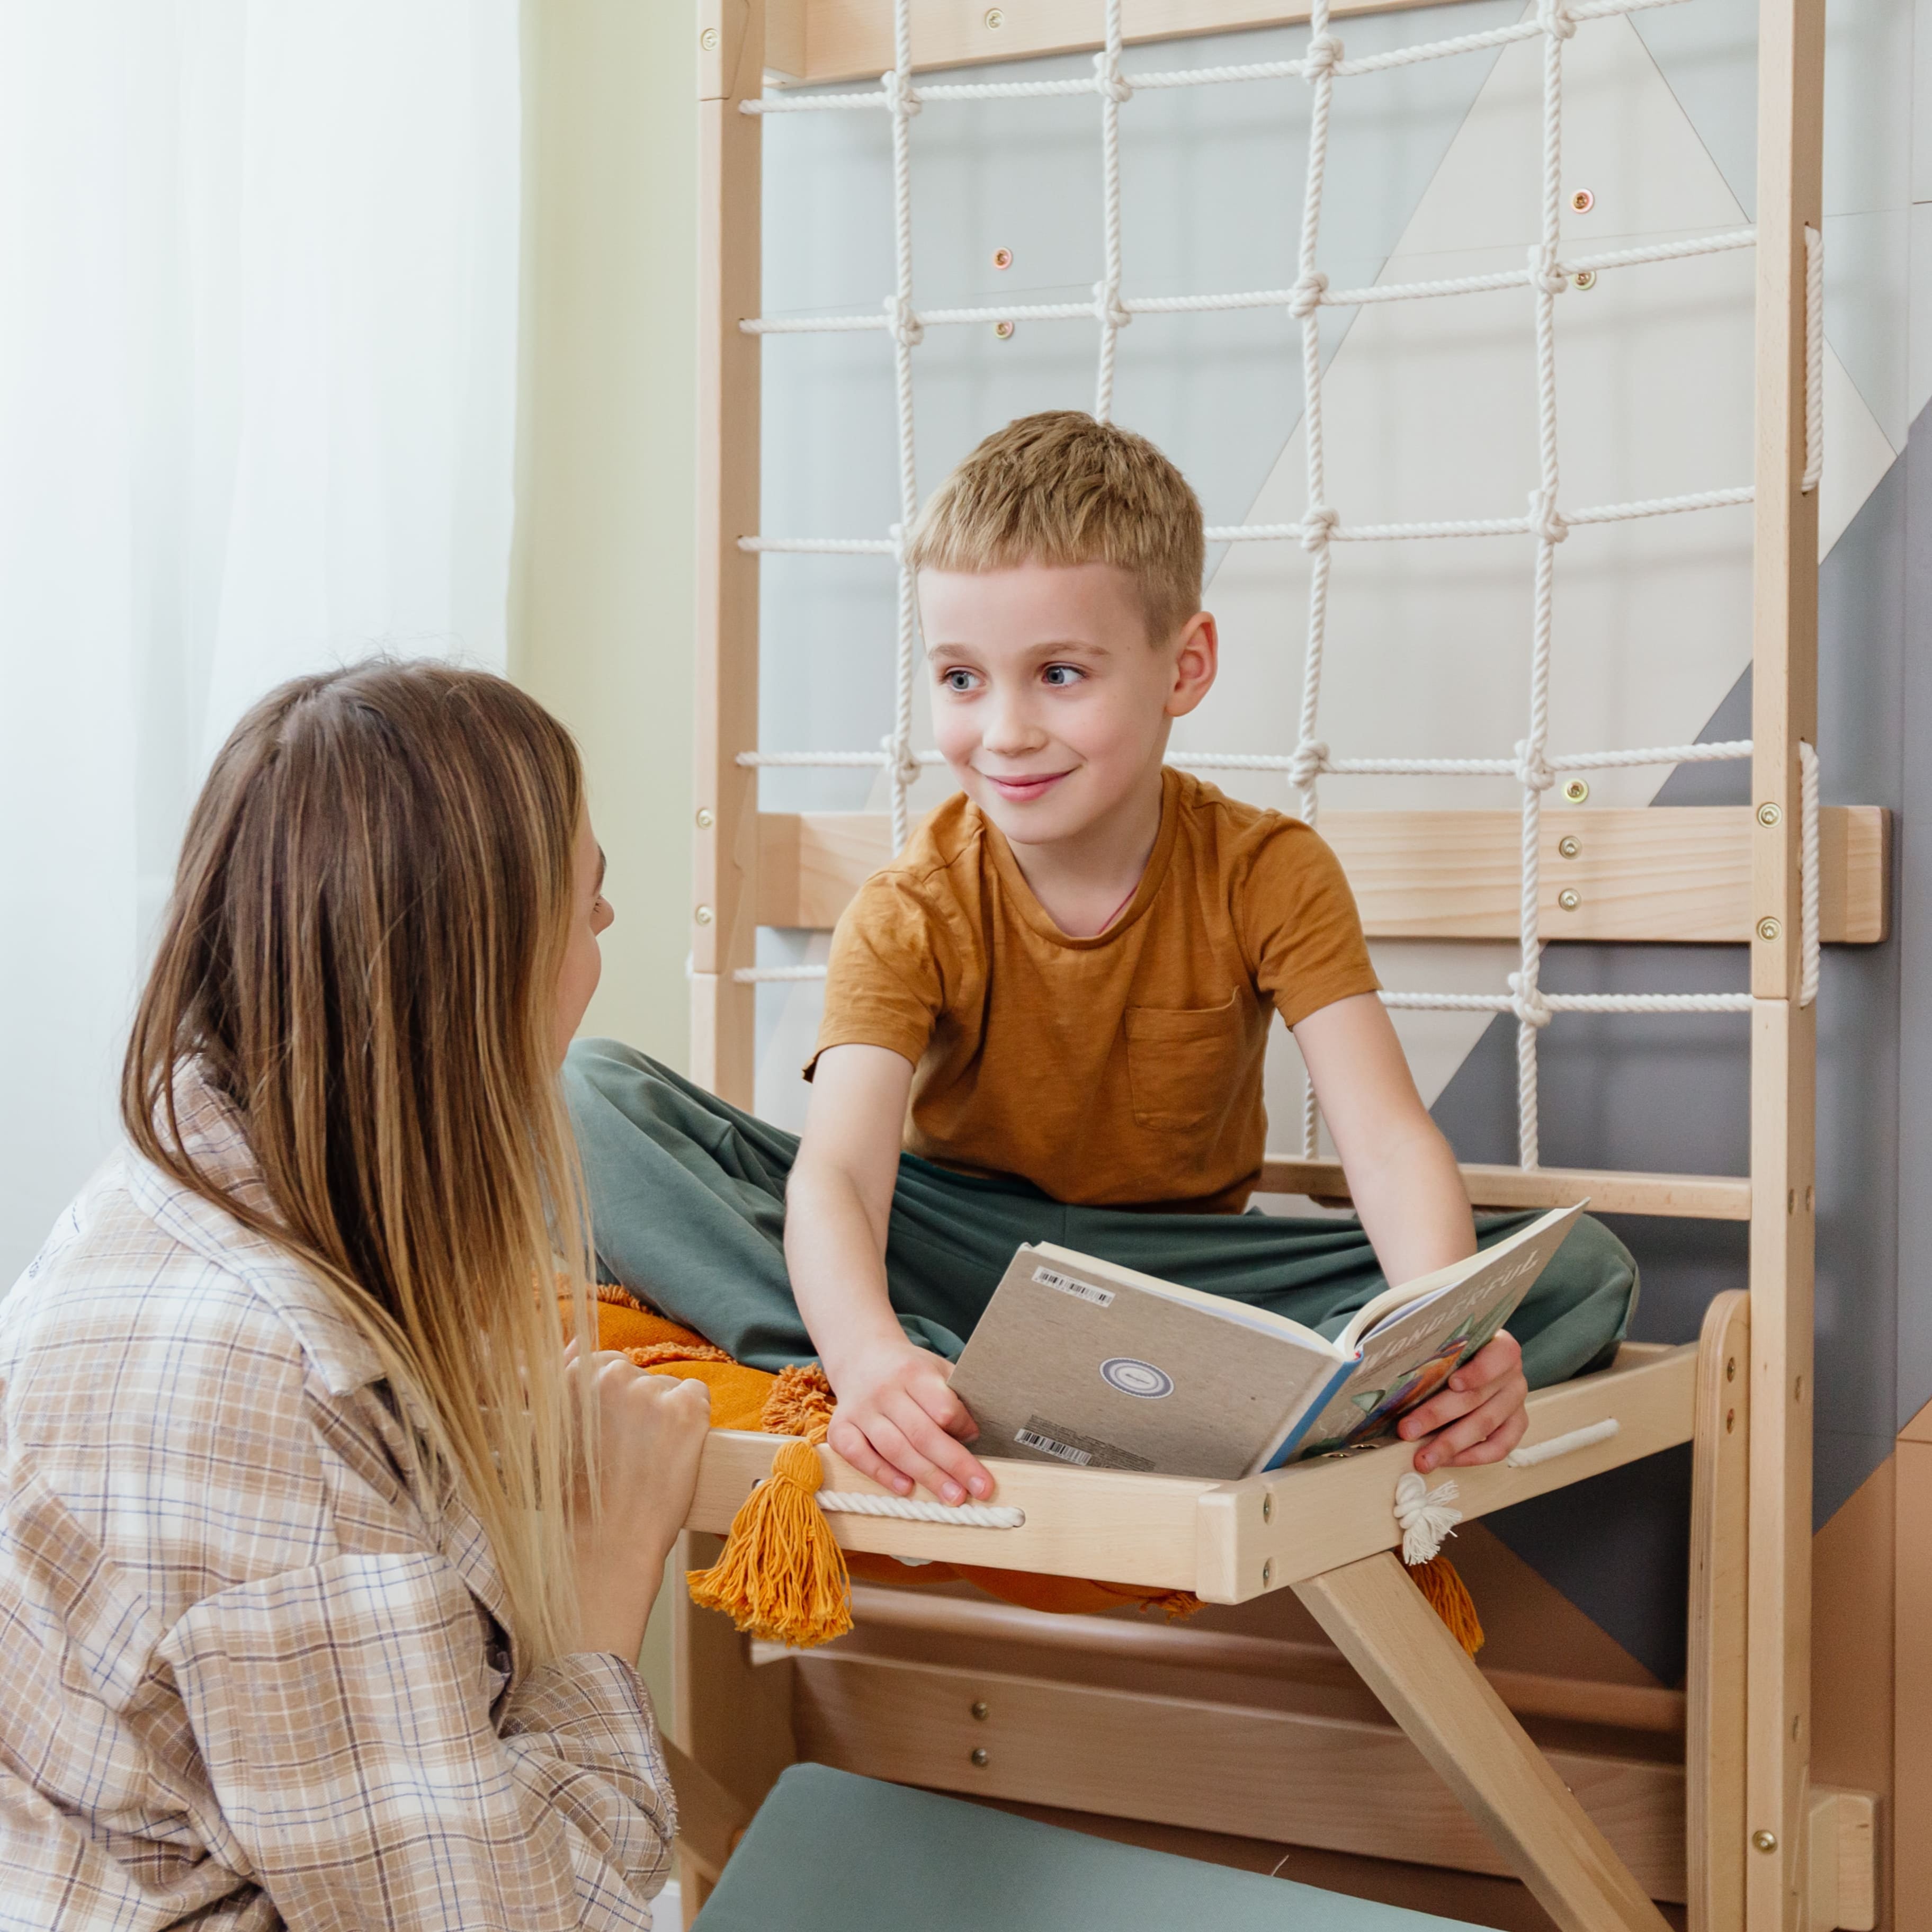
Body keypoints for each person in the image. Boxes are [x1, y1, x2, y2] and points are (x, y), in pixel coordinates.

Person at [566, 412, 1636, 1510]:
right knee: (587, 1095)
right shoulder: (910, 907)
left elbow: (1387, 1139)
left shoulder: (1271, 870)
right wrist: (868, 1350)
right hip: (949, 1252)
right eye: (961, 679)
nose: (1006, 731)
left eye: (1061, 674)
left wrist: (1442, 1336)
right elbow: (840, 1173)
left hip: (1173, 1278)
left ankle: (1178, 1398)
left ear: (1185, 667)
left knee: (1585, 1269)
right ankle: (920, 1383)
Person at [0, 663, 709, 1928]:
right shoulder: (265, 1389)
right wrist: (603, 1592)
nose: (604, 946)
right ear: (480, 979)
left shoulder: (168, 1190)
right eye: (589, 914)